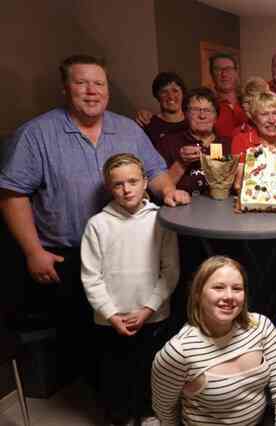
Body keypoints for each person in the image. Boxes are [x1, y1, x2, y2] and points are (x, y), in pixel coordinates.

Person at [0, 54, 188, 382]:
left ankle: (136, 399)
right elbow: (13, 193)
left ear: (107, 90)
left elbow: (156, 171)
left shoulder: (127, 129)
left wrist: (168, 191)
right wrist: (33, 251)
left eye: (98, 83)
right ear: (65, 88)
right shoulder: (36, 134)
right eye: (81, 82)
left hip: (132, 253)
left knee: (138, 336)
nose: (91, 91)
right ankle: (104, 405)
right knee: (86, 342)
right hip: (68, 257)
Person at [81, 153, 179, 426]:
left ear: (145, 182)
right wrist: (111, 315)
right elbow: (91, 277)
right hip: (111, 321)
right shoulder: (97, 225)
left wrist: (148, 309)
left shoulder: (161, 220)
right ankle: (120, 417)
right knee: (115, 376)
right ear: (109, 188)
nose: (126, 189)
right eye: (118, 184)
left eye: (133, 181)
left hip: (152, 316)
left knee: (150, 371)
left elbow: (170, 271)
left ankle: (149, 414)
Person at [151, 256, 276, 425]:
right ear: (198, 294)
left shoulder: (262, 327)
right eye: (218, 287)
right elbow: (165, 411)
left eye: (237, 288)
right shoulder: (178, 352)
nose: (229, 296)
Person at [156, 87, 223, 195]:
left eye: (208, 110)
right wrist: (181, 163)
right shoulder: (168, 143)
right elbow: (158, 191)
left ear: (216, 117)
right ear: (186, 114)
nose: (202, 116)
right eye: (195, 110)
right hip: (179, 208)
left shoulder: (227, 144)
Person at [138, 72, 188, 147]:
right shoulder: (149, 124)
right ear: (157, 96)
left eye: (175, 91)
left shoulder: (192, 122)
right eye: (164, 92)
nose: (171, 96)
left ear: (183, 94)